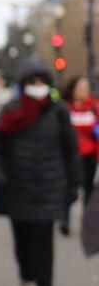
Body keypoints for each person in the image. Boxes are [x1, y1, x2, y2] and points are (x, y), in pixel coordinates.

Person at [0, 61, 78, 286]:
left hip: (50, 183)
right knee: (23, 235)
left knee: (44, 236)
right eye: (33, 82)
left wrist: (74, 182)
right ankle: (27, 275)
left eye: (42, 82)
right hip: (17, 183)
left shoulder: (57, 111)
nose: (38, 87)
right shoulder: (11, 111)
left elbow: (70, 148)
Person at [60, 73, 96, 236]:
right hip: (70, 156)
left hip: (89, 155)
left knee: (88, 189)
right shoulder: (65, 108)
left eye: (86, 88)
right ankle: (65, 219)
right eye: (80, 88)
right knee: (69, 188)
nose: (83, 91)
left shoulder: (94, 107)